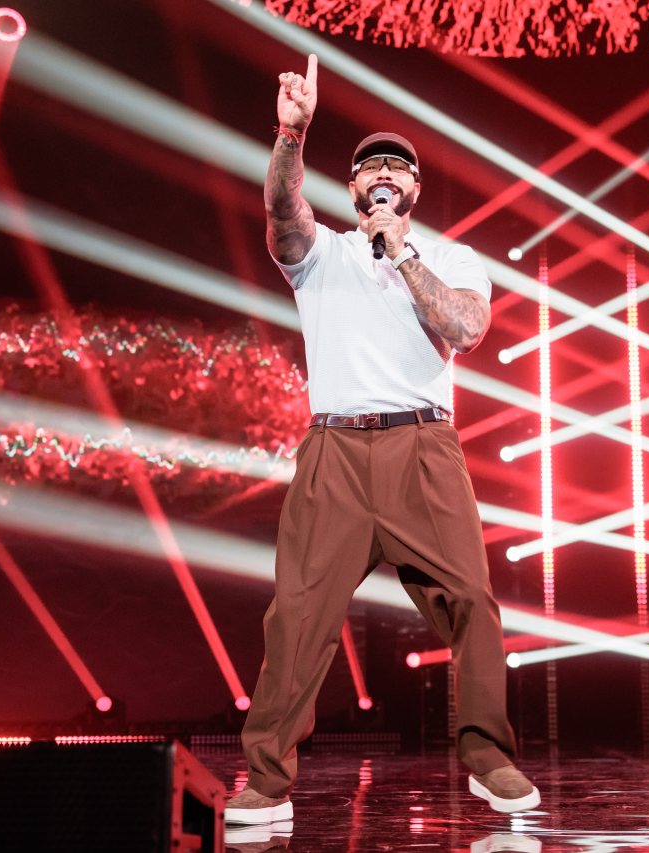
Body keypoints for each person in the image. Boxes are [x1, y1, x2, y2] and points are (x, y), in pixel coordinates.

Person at [225, 53, 539, 826]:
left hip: (422, 449)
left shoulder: (453, 258)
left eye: (397, 168)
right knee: (296, 616)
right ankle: (267, 780)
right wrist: (291, 135)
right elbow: (281, 209)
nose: (384, 175)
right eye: (371, 167)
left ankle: (487, 754)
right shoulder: (323, 254)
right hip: (333, 453)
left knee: (471, 600)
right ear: (353, 186)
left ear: (414, 190)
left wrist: (401, 251)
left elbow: (464, 328)